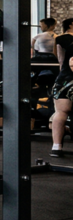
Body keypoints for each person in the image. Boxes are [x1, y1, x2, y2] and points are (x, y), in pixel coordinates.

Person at [50, 18, 73, 157]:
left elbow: (59, 59)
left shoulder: (60, 39)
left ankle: (56, 147)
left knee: (61, 112)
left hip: (65, 78)